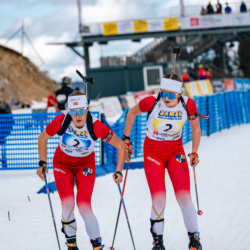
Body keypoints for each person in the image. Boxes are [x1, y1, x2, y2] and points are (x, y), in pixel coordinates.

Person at [37, 90, 127, 250]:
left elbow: (120, 145)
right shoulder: (61, 121)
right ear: (68, 111)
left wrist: (119, 171)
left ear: (87, 109)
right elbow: (42, 138)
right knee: (68, 203)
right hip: (62, 164)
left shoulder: (96, 126)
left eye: (81, 111)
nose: (77, 116)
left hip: (85, 165)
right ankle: (71, 244)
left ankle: (97, 245)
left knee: (84, 205)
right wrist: (42, 163)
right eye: (73, 111)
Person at [123, 73, 204, 250]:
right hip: (153, 153)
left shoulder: (187, 104)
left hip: (176, 152)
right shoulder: (151, 101)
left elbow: (196, 129)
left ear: (179, 93)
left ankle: (194, 239)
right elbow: (131, 113)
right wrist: (126, 140)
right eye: (163, 93)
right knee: (159, 198)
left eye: (170, 94)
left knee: (184, 196)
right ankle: (157, 241)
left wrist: (194, 152)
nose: (165, 98)